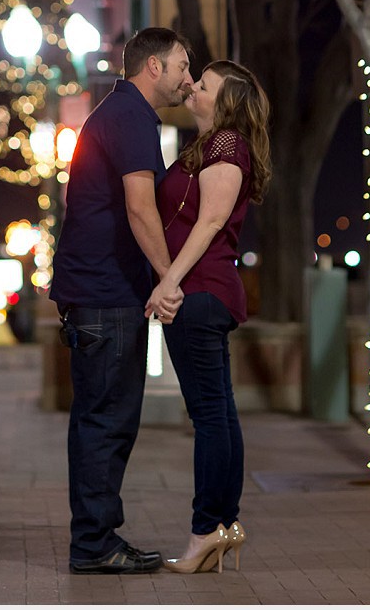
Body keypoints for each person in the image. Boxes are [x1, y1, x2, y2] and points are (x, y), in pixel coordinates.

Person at [50, 27, 194, 575]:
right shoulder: (131, 117)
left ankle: (96, 538)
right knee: (107, 422)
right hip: (106, 296)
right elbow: (139, 208)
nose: (187, 75)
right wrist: (168, 278)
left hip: (98, 294)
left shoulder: (119, 113)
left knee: (100, 419)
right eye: (182, 64)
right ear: (153, 66)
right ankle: (94, 544)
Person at [151, 59, 272, 575]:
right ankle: (225, 526)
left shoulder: (226, 146)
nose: (192, 86)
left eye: (203, 84)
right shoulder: (207, 147)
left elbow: (213, 221)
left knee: (209, 417)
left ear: (223, 103)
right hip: (203, 293)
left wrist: (168, 281)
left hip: (200, 294)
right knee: (219, 413)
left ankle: (206, 531)